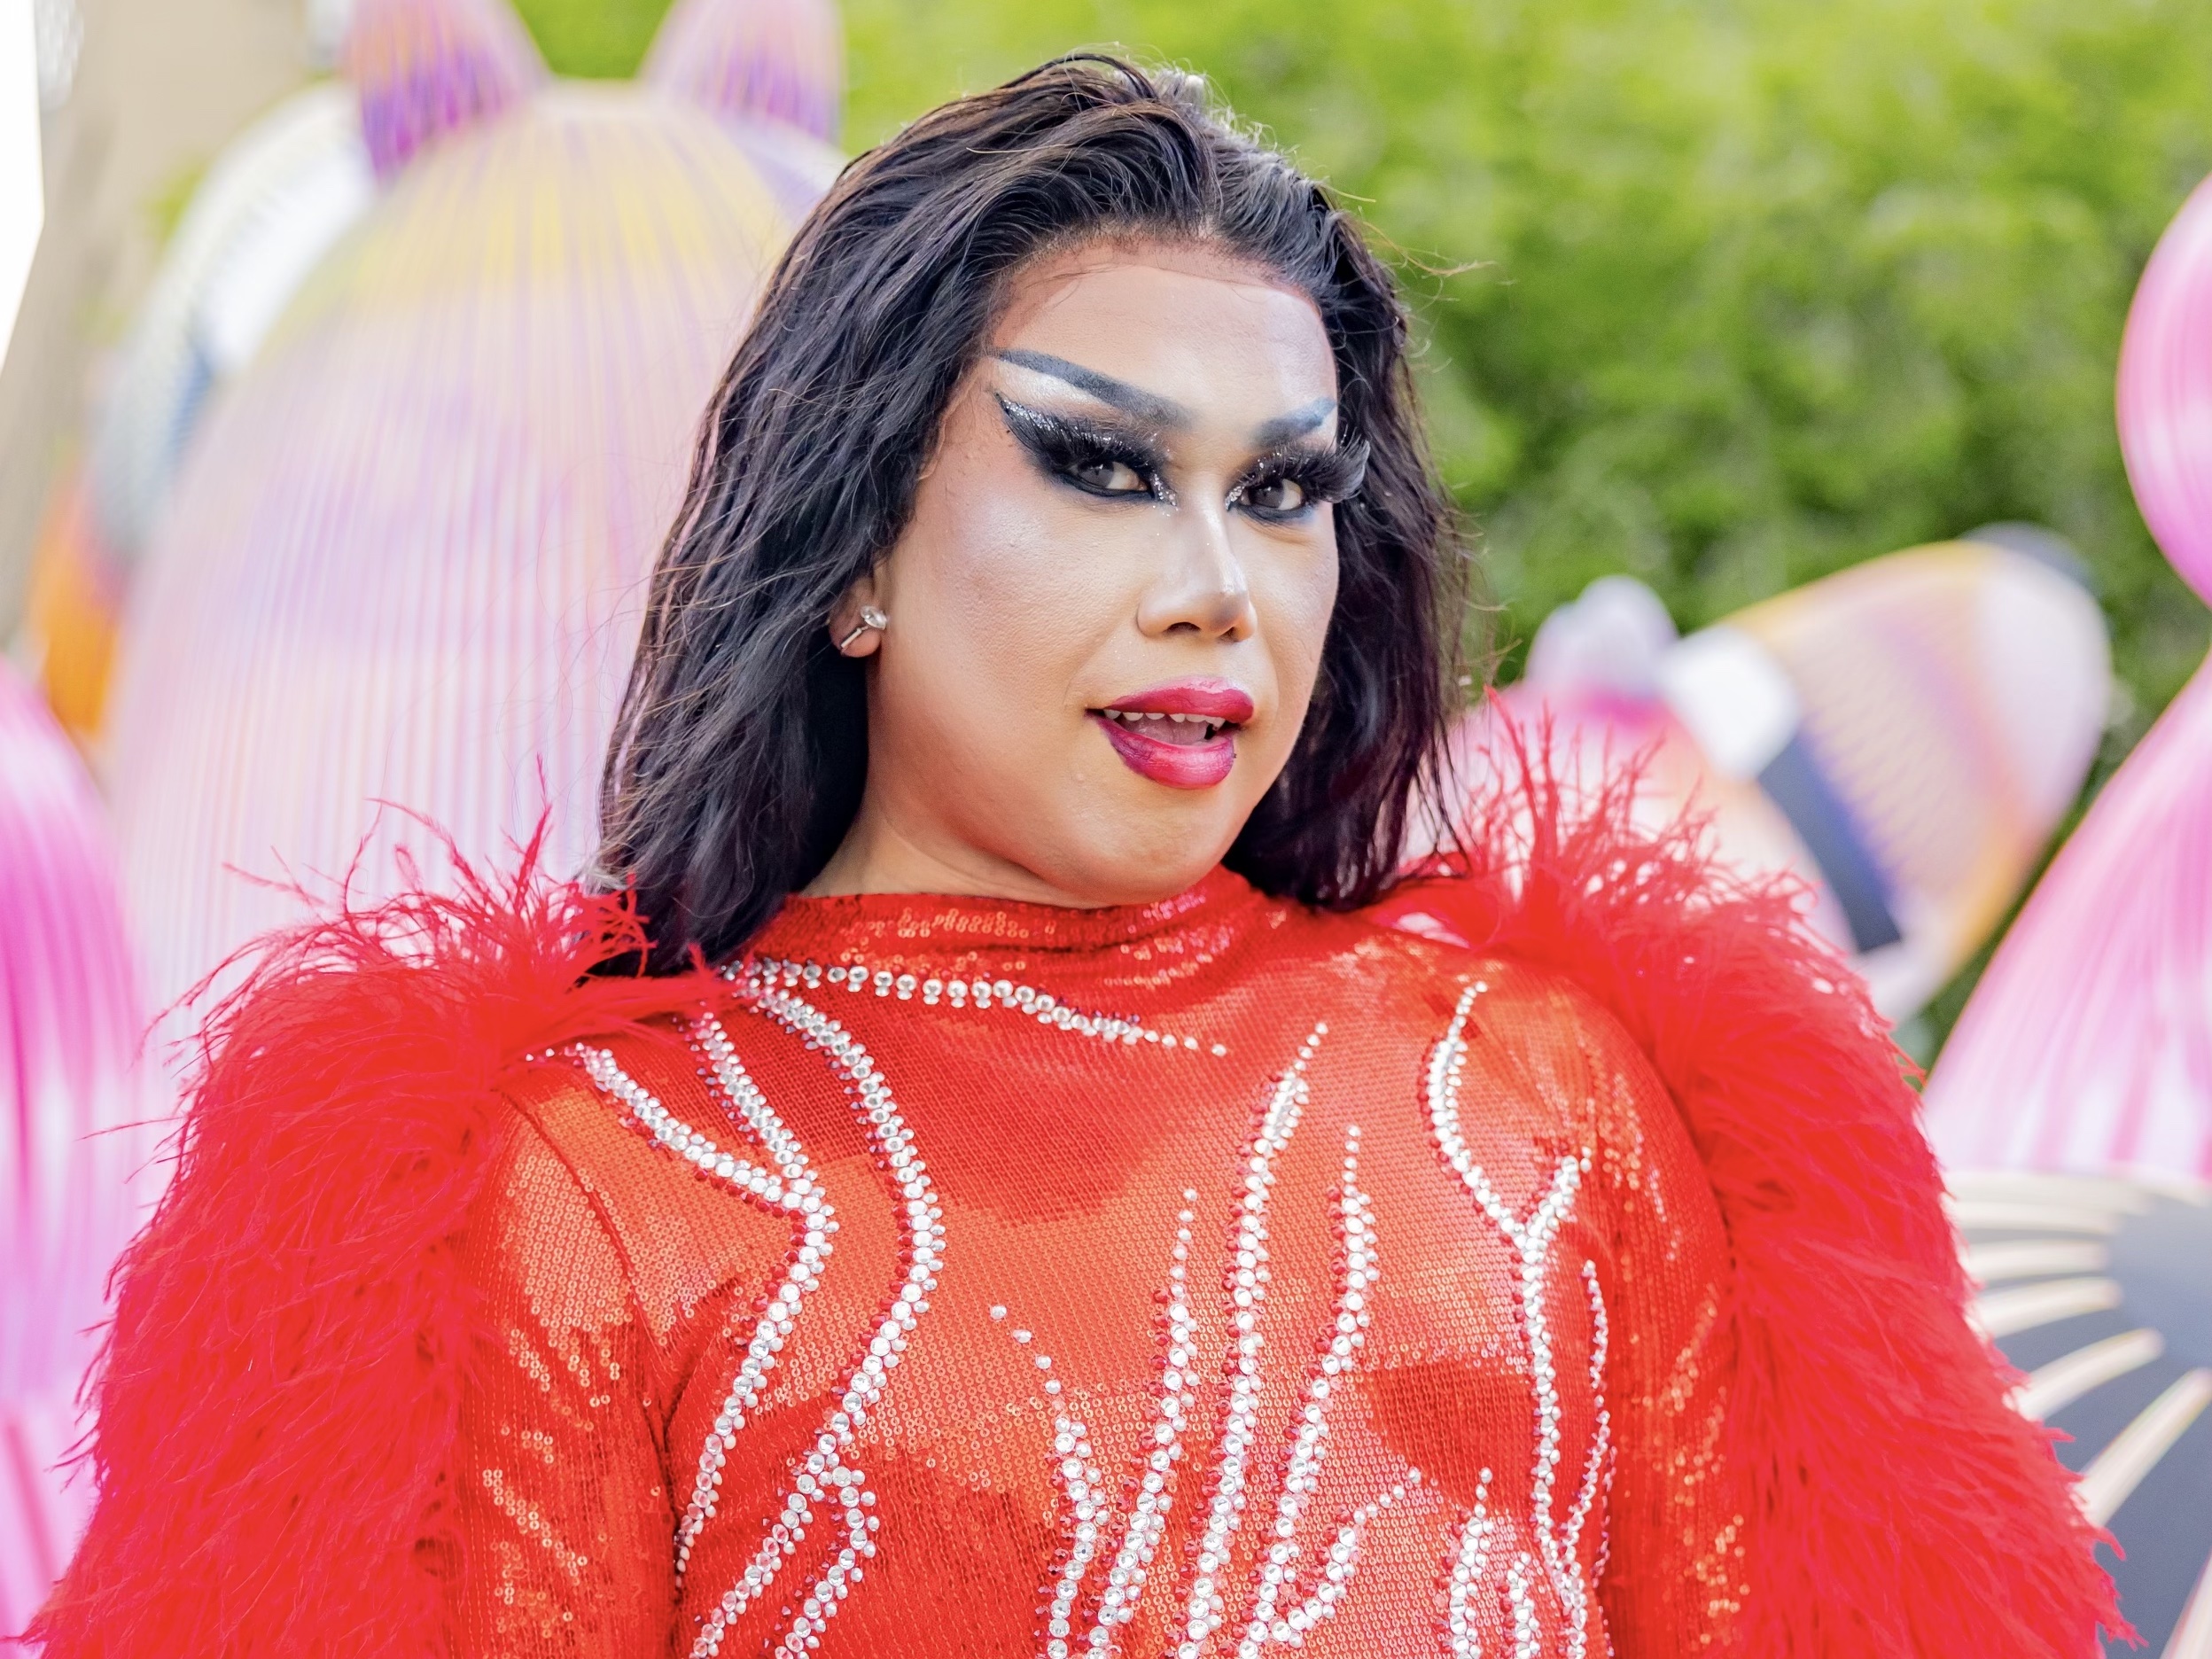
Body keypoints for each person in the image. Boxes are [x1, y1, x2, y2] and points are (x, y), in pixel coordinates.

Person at [32, 57, 2119, 1659]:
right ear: (852, 543)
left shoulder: (1555, 1085)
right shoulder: (575, 1180)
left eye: (1285, 491)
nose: (1221, 587)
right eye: (1105, 468)